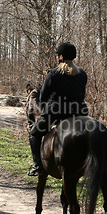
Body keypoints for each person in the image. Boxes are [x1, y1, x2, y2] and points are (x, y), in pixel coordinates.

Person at [28, 42, 89, 176]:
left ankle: (38, 165)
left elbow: (43, 97)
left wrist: (45, 108)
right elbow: (82, 96)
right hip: (78, 113)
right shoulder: (82, 74)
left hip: (56, 113)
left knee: (34, 134)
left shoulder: (53, 74)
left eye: (57, 55)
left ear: (60, 57)